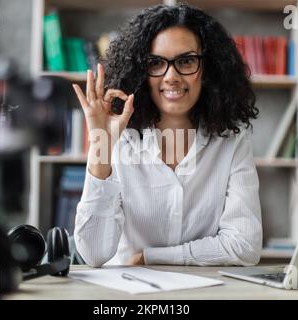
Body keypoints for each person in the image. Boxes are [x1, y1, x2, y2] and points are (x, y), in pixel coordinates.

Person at [72, 4, 262, 267]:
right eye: (156, 63)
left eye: (186, 61)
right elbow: (93, 255)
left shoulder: (232, 141)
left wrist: (149, 257)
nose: (171, 76)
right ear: (141, 72)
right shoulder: (118, 138)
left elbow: (244, 246)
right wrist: (99, 148)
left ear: (207, 69)